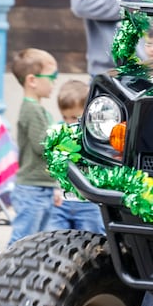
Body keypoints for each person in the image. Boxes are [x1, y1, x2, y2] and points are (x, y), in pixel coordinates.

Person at [9, 48, 62, 242]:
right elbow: (43, 146)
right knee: (22, 239)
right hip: (32, 190)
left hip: (42, 187)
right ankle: (4, 270)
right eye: (52, 76)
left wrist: (55, 186)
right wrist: (64, 141)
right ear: (32, 80)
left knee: (36, 241)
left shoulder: (39, 110)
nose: (54, 82)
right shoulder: (31, 110)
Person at [45, 79, 104, 233]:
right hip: (61, 201)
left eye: (73, 117)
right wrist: (54, 187)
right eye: (64, 117)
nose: (68, 122)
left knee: (93, 241)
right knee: (54, 239)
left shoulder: (95, 136)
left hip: (88, 203)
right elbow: (53, 164)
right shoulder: (59, 132)